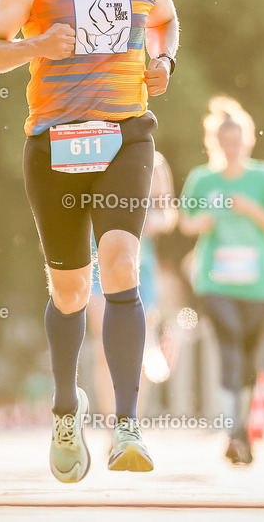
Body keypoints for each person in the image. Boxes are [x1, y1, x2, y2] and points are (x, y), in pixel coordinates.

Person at [0, 0, 179, 482]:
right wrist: (36, 46)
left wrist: (164, 60)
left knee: (120, 262)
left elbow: (166, 22)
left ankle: (127, 424)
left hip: (125, 136)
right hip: (55, 143)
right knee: (69, 290)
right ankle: (67, 411)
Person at [179, 96, 264, 465]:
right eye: (224, 141)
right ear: (214, 143)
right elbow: (186, 223)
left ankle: (242, 430)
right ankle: (232, 431)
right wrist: (204, 220)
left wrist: (251, 209)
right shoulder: (202, 179)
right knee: (228, 345)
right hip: (214, 282)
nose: (231, 148)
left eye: (237, 141)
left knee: (246, 357)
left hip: (258, 285)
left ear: (249, 140)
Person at [86, 151, 177, 417]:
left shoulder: (153, 161)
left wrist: (150, 219)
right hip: (99, 267)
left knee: (140, 348)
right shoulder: (96, 156)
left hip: (141, 272)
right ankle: (111, 422)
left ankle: (132, 420)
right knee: (106, 347)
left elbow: (168, 214)